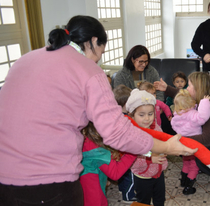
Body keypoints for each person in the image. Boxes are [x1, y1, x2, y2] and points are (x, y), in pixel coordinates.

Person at [0, 15, 196, 205]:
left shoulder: (25, 59)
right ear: (93, 41)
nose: (98, 60)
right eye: (101, 53)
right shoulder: (88, 70)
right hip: (48, 180)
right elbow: (116, 133)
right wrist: (166, 147)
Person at [126, 89, 168, 206]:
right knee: (144, 201)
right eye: (141, 115)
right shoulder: (131, 134)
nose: (147, 118)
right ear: (132, 115)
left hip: (158, 173)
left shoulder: (156, 127)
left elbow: (163, 141)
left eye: (150, 114)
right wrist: (150, 157)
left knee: (160, 200)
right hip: (143, 176)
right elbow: (132, 156)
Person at [80, 122, 137, 206]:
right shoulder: (95, 147)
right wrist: (134, 151)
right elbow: (115, 173)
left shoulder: (84, 140)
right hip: (93, 197)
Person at [171, 89, 210, 195]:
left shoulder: (177, 114)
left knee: (186, 162)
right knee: (194, 165)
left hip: (183, 143)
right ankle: (188, 187)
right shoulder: (192, 114)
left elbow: (174, 126)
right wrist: (204, 102)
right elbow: (202, 117)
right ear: (190, 104)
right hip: (194, 143)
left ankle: (183, 181)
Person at [112, 85, 137, 203]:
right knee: (130, 176)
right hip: (127, 152)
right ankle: (128, 196)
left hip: (117, 152)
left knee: (123, 174)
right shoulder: (127, 119)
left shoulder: (115, 117)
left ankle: (123, 190)